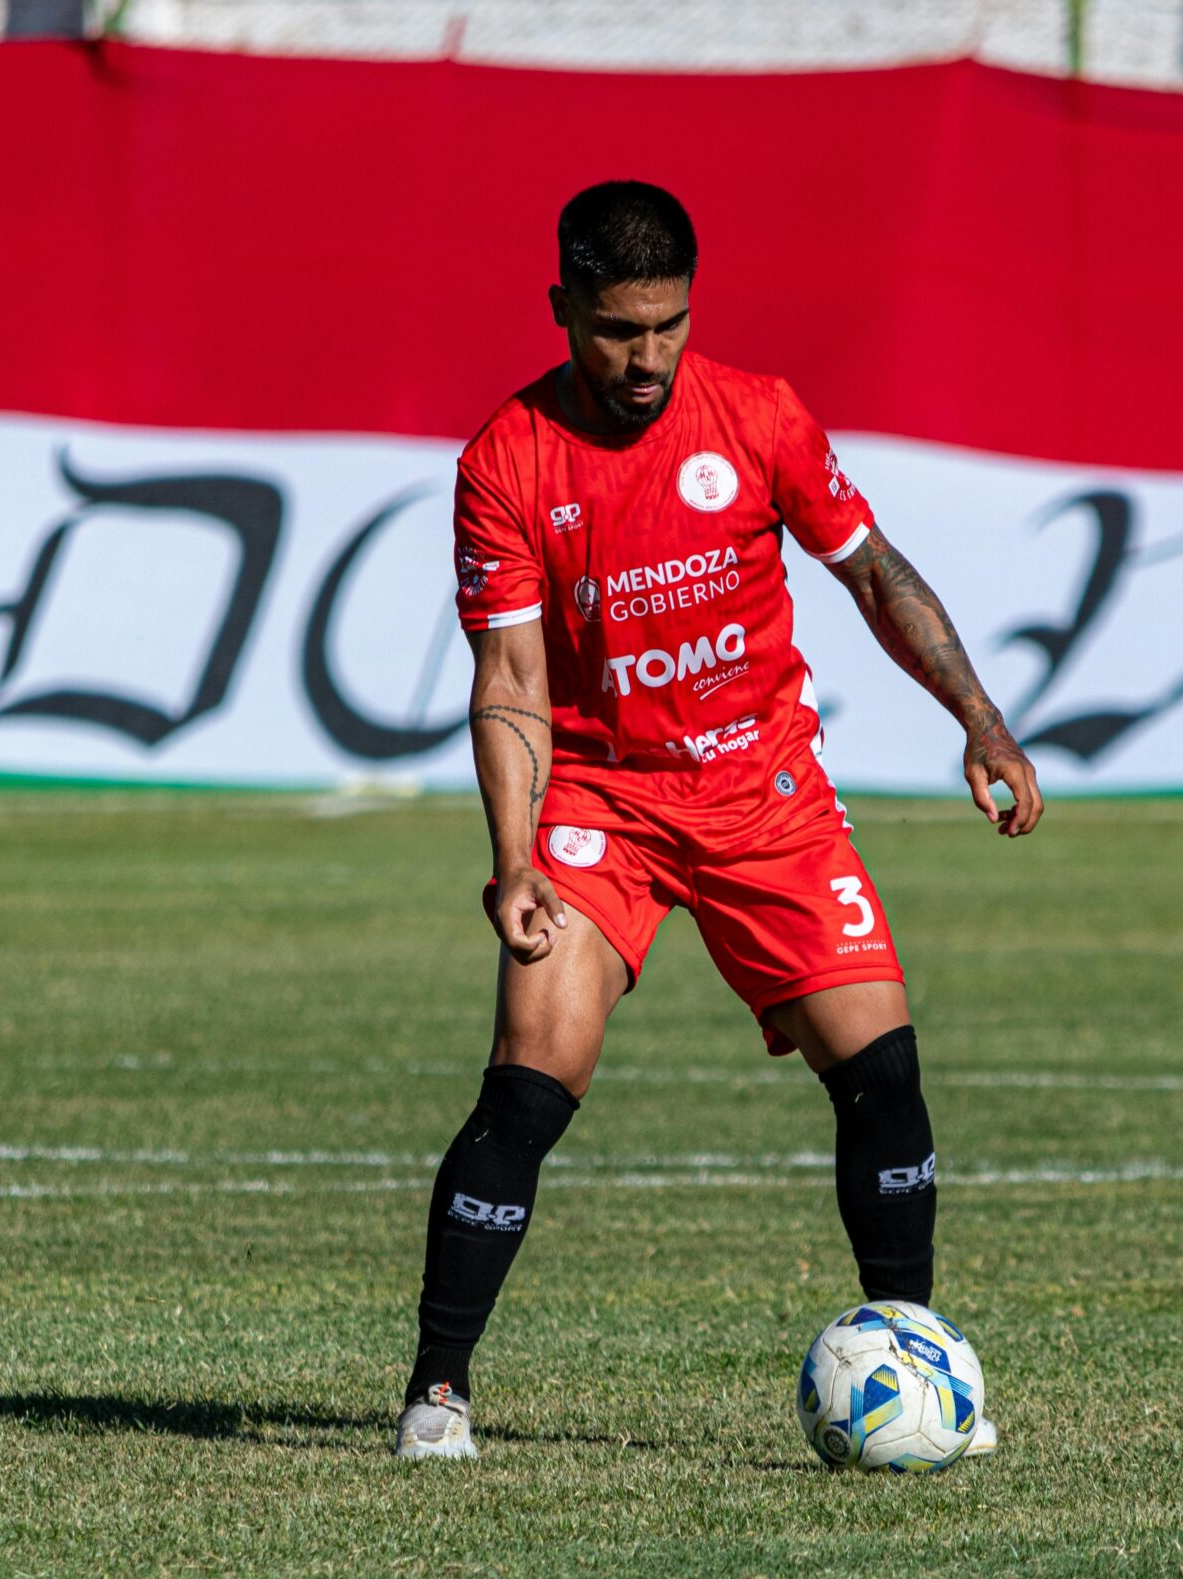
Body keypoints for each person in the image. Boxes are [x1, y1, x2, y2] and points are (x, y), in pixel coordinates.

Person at [396, 180, 1042, 1461]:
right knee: (531, 1081)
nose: (646, 361)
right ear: (562, 307)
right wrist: (513, 858)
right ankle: (437, 1395)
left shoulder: (759, 418)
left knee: (884, 1074)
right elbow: (513, 681)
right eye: (618, 331)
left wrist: (979, 716)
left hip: (765, 794)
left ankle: (907, 1364)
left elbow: (874, 571)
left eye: (669, 328)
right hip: (602, 802)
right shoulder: (507, 462)